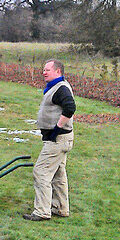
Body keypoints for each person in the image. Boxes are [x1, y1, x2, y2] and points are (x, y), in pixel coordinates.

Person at [24, 59, 76, 221]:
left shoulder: (61, 89)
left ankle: (42, 211)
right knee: (58, 175)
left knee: (41, 172)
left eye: (47, 70)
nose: (44, 72)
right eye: (43, 70)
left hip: (58, 139)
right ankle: (60, 208)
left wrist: (56, 129)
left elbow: (70, 108)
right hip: (61, 140)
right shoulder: (56, 87)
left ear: (58, 72)